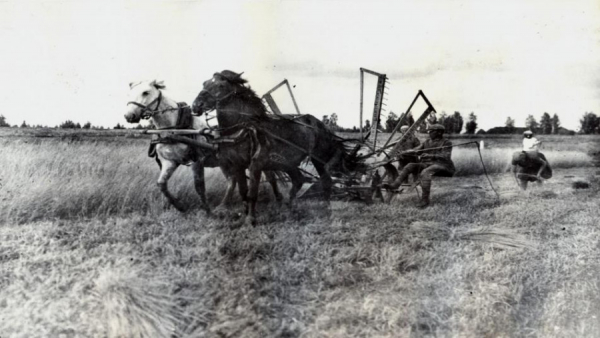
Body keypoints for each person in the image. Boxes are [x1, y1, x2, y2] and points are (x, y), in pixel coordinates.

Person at [382, 124, 455, 208]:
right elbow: (416, 150)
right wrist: (405, 152)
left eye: (431, 131)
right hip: (427, 165)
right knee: (410, 165)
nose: (429, 133)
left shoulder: (446, 142)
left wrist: (430, 156)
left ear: (439, 132)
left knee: (425, 172)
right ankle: (395, 185)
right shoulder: (427, 142)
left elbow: (446, 156)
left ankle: (425, 200)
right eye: (429, 131)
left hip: (443, 166)